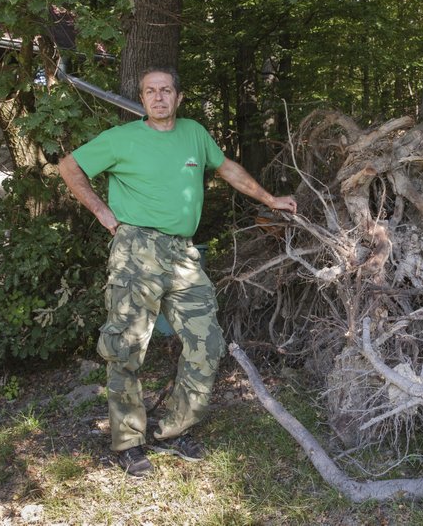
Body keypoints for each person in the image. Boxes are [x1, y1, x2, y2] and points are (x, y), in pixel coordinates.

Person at [59, 67, 297, 477]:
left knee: (206, 343)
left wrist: (270, 198)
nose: (158, 97)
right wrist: (101, 210)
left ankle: (172, 430)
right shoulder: (122, 139)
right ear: (142, 99)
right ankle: (129, 442)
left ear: (178, 97)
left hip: (184, 254)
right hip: (137, 249)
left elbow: (227, 169)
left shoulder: (194, 133)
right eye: (150, 92)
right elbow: (68, 166)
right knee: (126, 347)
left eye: (165, 90)